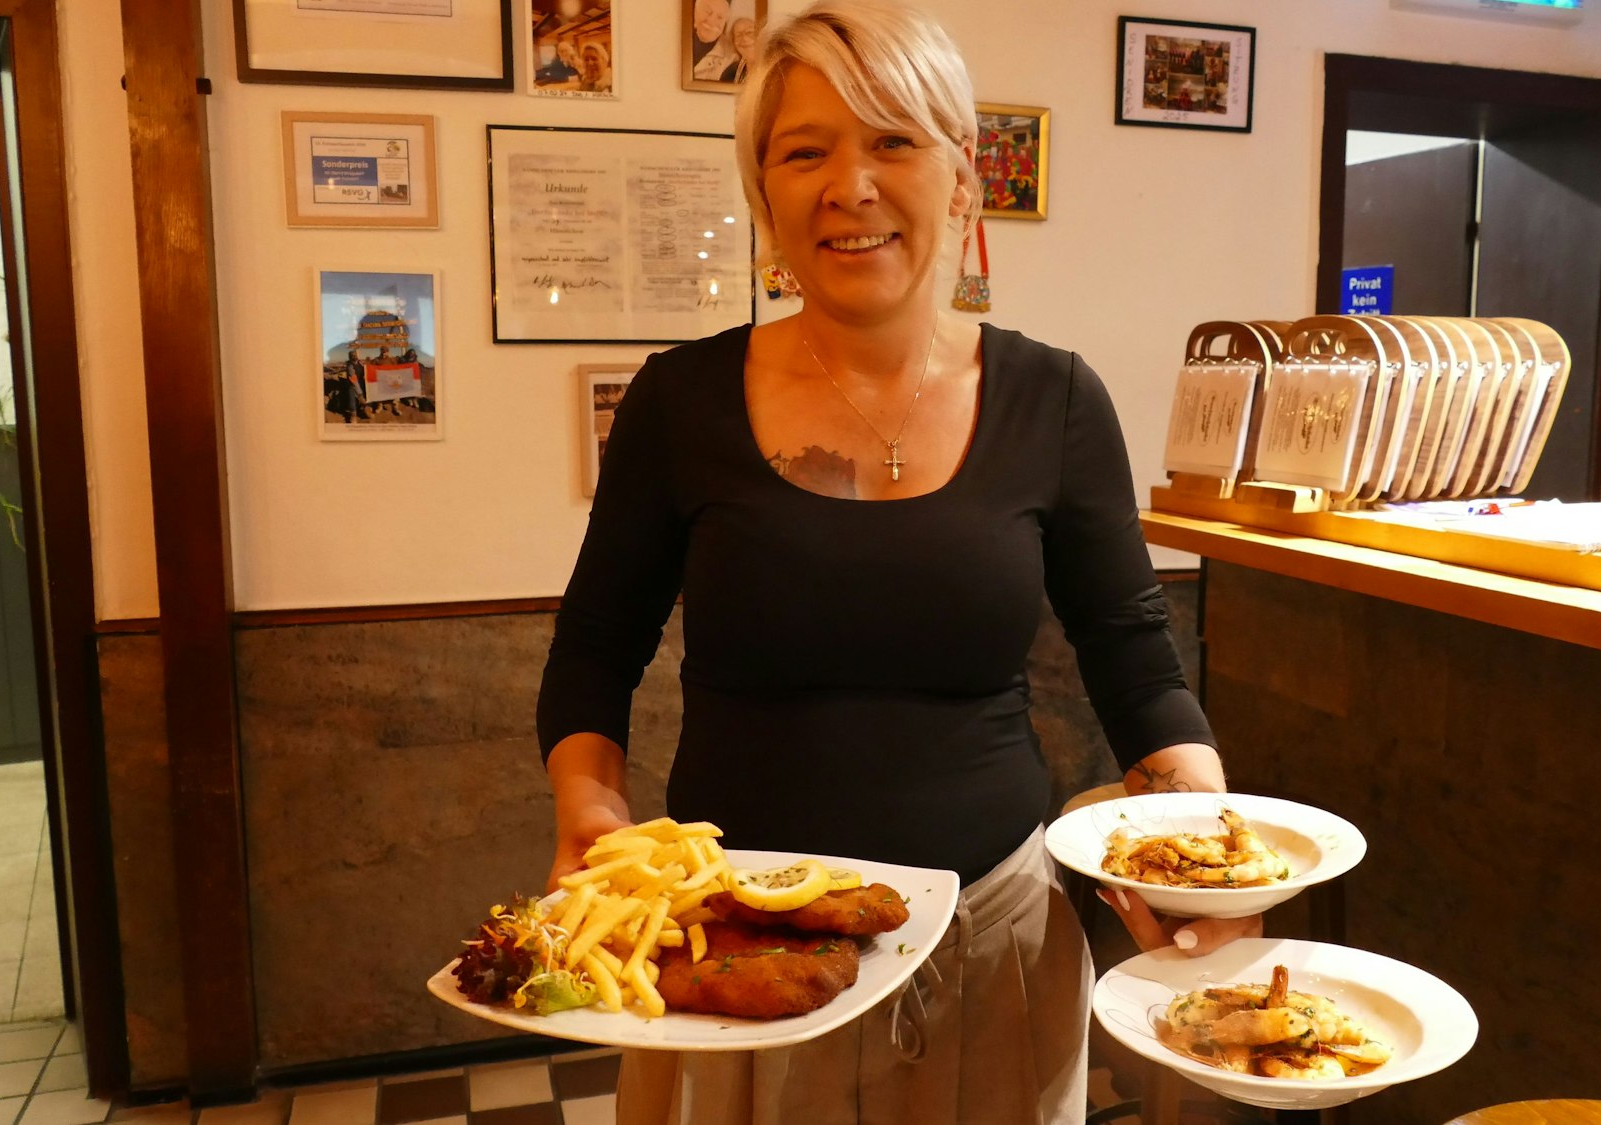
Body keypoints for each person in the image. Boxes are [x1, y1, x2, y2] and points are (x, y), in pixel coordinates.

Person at [536, 2, 1256, 1122]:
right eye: (803, 150)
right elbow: (593, 650)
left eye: (892, 140)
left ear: (962, 179)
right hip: (735, 953)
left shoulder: (1054, 400)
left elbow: (1132, 651)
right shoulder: (678, 400)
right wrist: (587, 806)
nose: (850, 185)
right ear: (762, 193)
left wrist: (1196, 836)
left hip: (991, 938)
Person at [690, 0, 729, 67]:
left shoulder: (729, 59)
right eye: (707, 11)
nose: (712, 21)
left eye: (720, 17)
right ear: (695, 12)